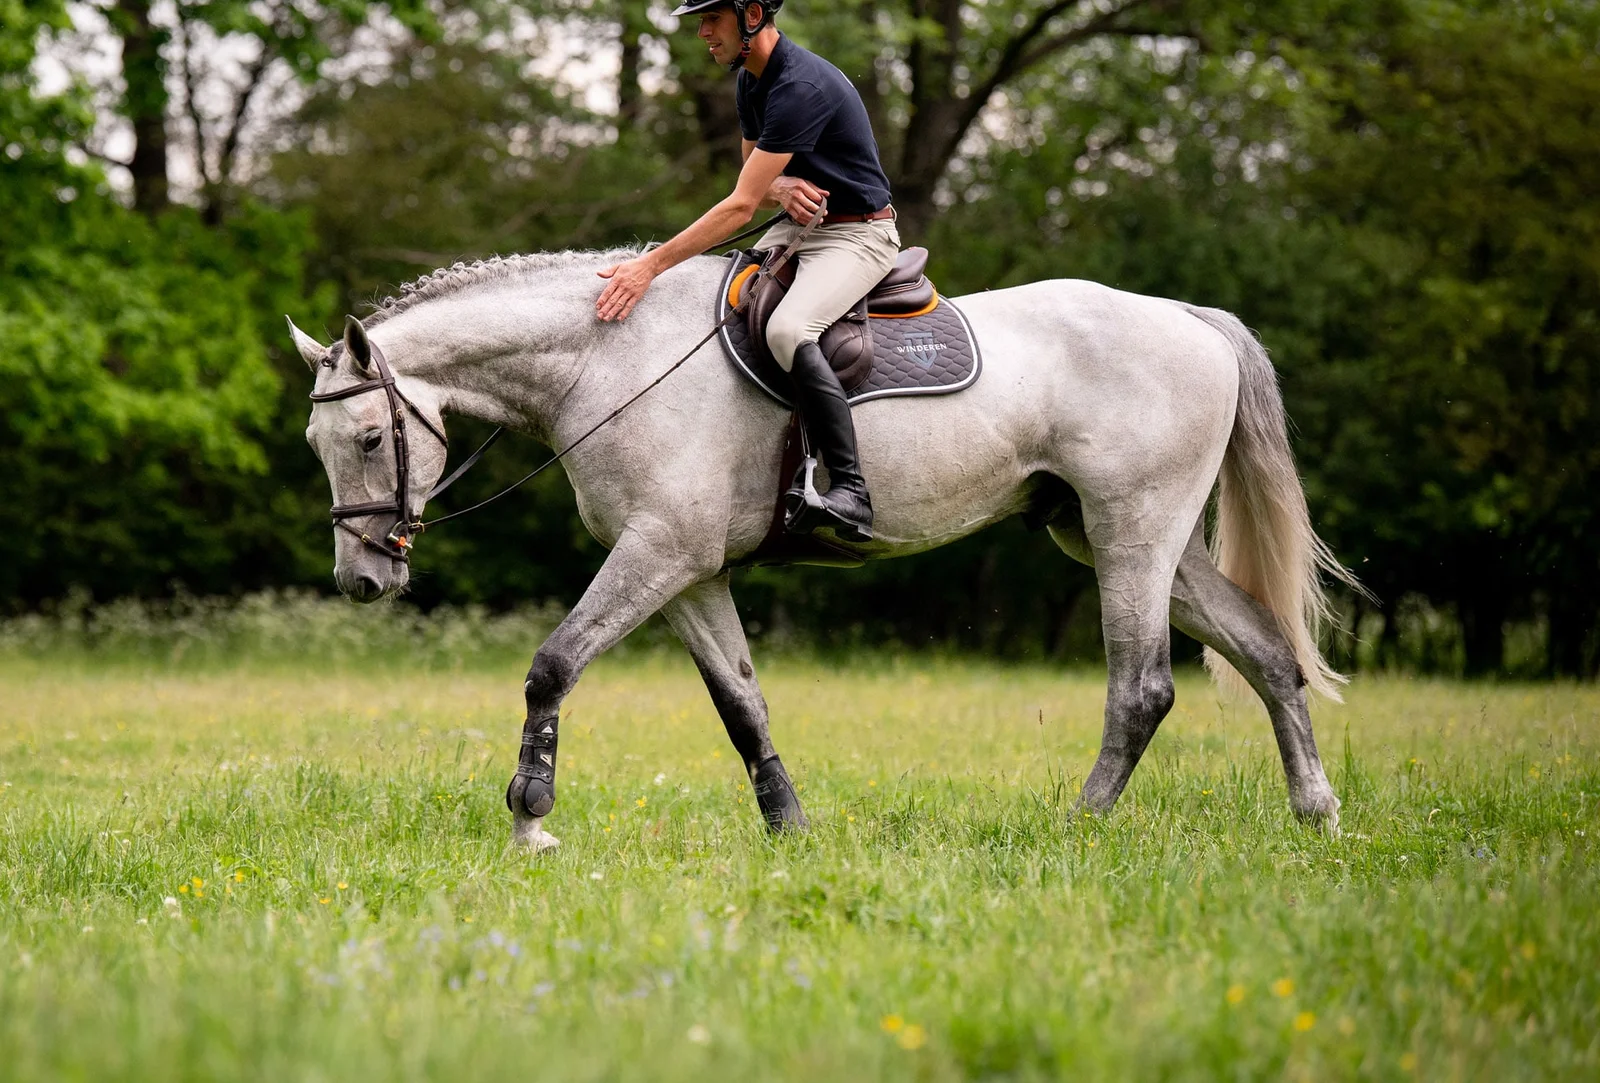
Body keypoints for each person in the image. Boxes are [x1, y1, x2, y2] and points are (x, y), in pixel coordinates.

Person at [595, 0, 899, 541]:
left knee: (787, 330)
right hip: (801, 227)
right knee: (713, 299)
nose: (701, 32)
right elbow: (755, 183)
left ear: (752, 14)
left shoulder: (799, 87)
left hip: (859, 233)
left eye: (712, 18)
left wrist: (650, 266)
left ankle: (852, 491)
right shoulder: (750, 80)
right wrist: (779, 188)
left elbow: (739, 206)